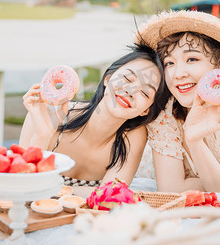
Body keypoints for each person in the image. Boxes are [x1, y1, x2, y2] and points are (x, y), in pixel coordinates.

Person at [135, 10, 220, 194]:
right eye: (169, 63)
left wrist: (195, 141)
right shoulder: (163, 112)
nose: (178, 74)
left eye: (192, 59)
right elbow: (171, 190)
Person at [19, 43, 168, 197]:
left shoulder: (133, 135)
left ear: (146, 110)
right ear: (108, 78)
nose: (130, 91)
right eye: (127, 78)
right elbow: (22, 185)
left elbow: (110, 196)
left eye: (145, 92)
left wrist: (50, 190)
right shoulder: (48, 114)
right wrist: (42, 136)